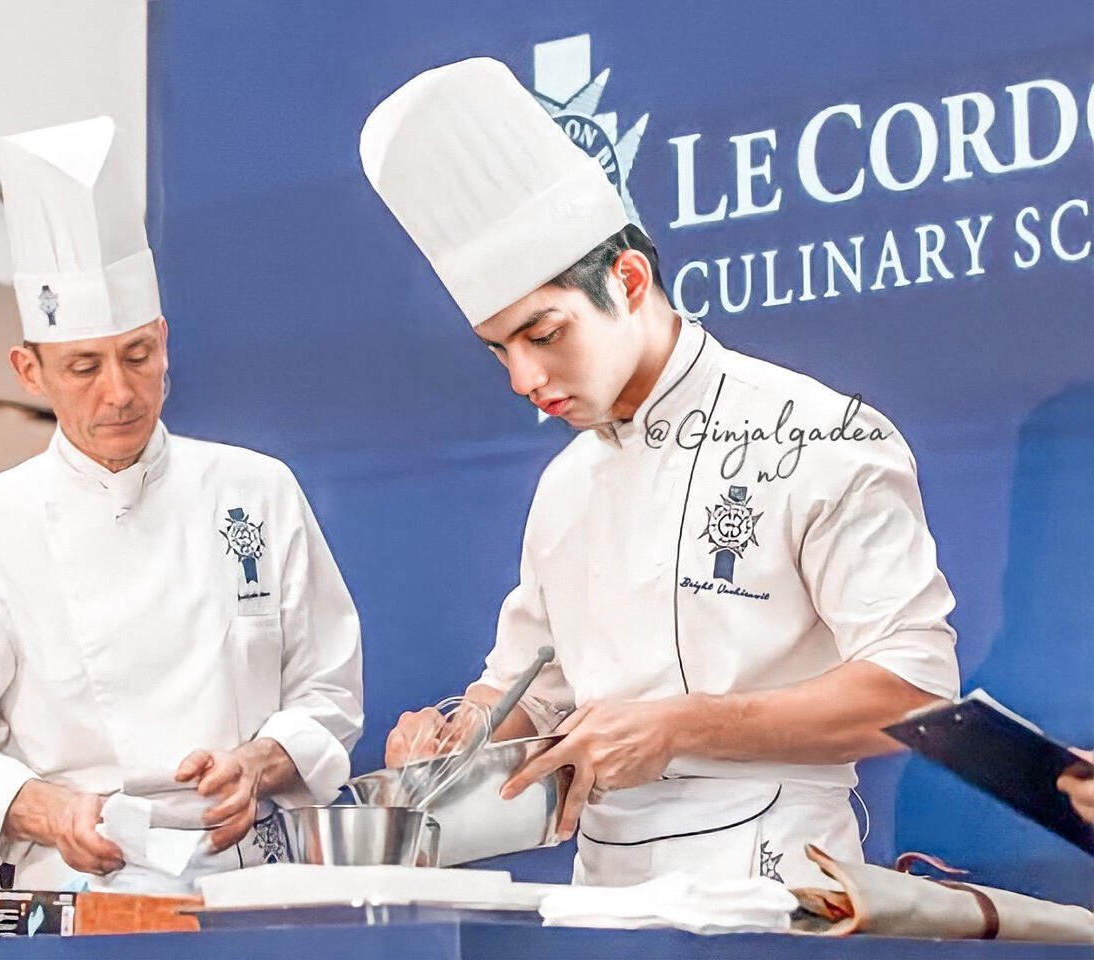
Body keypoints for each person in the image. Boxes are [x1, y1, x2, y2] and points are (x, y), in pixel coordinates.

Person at [360, 59, 958, 888]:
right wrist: (458, 741)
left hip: (777, 889)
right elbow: (531, 689)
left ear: (630, 281)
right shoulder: (565, 486)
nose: (524, 380)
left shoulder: (823, 434)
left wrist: (680, 727)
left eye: (544, 334)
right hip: (600, 899)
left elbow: (916, 694)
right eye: (499, 350)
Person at [0, 116, 362, 893]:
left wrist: (260, 760)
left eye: (138, 355)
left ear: (164, 341)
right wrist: (48, 810)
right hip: (77, 894)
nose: (120, 392)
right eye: (83, 367)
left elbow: (329, 690)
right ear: (29, 371)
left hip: (254, 883)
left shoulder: (256, 491)